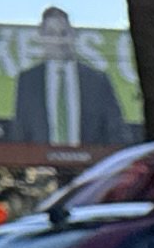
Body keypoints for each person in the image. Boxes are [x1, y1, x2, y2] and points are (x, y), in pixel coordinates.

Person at [9, 9, 129, 154]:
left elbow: (116, 130)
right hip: (41, 169)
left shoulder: (97, 80)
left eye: (63, 33)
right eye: (51, 34)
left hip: (88, 167)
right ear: (41, 37)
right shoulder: (28, 81)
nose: (58, 40)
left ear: (72, 35)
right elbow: (20, 131)